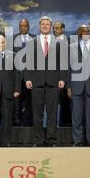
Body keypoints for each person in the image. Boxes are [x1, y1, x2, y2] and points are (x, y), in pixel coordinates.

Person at [24, 16, 67, 147]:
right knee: (37, 114)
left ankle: (51, 140)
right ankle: (38, 140)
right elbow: (28, 62)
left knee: (52, 114)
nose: (45, 26)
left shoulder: (59, 41)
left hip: (53, 82)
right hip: (36, 82)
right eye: (43, 24)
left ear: (51, 26)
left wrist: (62, 78)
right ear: (39, 26)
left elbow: (63, 62)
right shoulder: (32, 42)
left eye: (48, 24)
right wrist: (27, 78)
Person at [67, 25, 90, 146]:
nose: (86, 33)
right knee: (76, 116)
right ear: (79, 33)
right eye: (83, 31)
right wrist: (69, 86)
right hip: (76, 86)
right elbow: (68, 69)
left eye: (88, 31)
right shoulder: (71, 47)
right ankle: (77, 140)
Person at [13, 18, 35, 126]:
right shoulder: (12, 39)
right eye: (21, 26)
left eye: (25, 26)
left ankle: (29, 124)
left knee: (30, 102)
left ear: (29, 26)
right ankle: (16, 124)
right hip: (16, 76)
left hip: (31, 76)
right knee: (16, 103)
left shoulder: (35, 38)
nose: (23, 28)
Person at [53, 21, 71, 127]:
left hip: (67, 74)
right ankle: (58, 124)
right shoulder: (51, 41)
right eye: (54, 28)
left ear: (63, 29)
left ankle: (65, 123)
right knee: (56, 101)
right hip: (55, 75)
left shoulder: (69, 41)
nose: (55, 30)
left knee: (66, 101)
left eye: (58, 28)